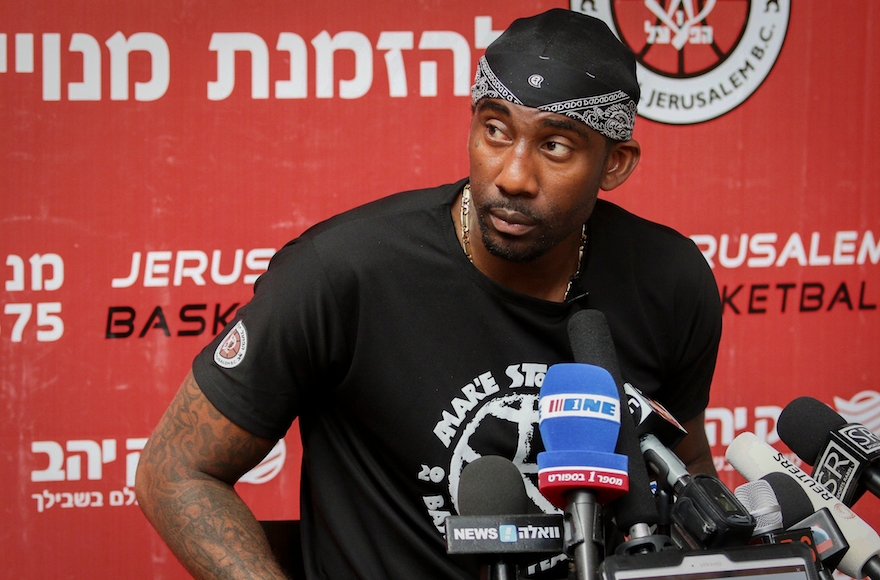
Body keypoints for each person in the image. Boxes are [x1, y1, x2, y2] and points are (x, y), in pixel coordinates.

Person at [135, 8, 722, 580]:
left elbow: (685, 465)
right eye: (495, 130)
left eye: (555, 147)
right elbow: (175, 471)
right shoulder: (345, 273)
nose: (513, 175)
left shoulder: (668, 280)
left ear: (615, 163)